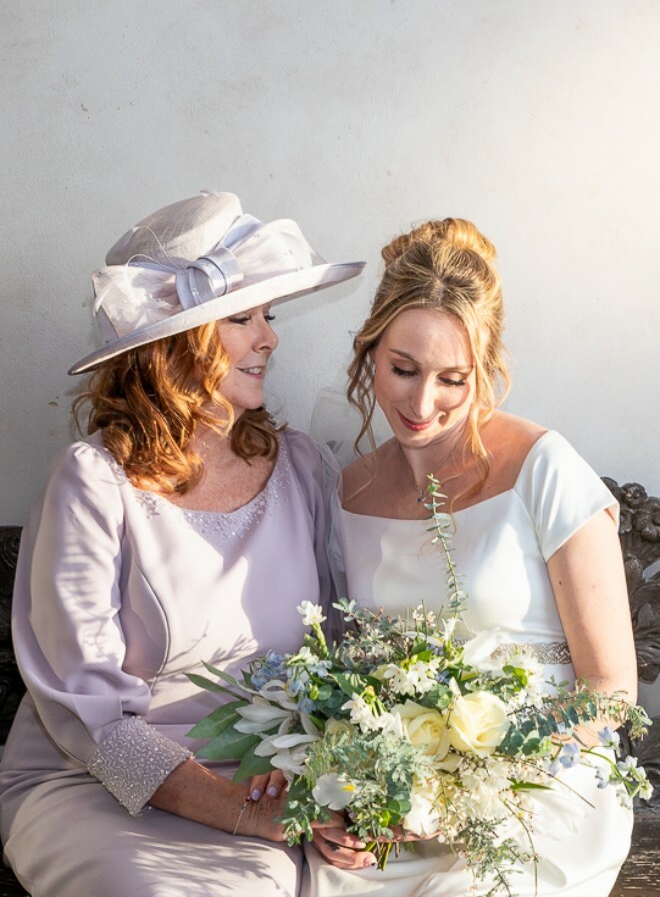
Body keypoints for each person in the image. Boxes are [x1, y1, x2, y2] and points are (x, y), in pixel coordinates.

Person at [0, 191, 363, 897]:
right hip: (99, 787)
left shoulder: (304, 467)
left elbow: (343, 654)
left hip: (265, 787)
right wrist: (241, 813)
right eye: (242, 319)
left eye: (270, 316)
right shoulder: (93, 483)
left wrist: (320, 777)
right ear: (175, 343)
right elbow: (86, 716)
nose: (269, 338)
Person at [305, 218, 637, 896]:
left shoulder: (544, 468)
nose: (421, 404)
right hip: (393, 800)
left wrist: (470, 793)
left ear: (485, 369)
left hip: (542, 791)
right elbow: (344, 671)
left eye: (452, 379)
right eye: (402, 370)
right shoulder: (346, 493)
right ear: (370, 348)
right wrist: (355, 791)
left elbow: (610, 688)